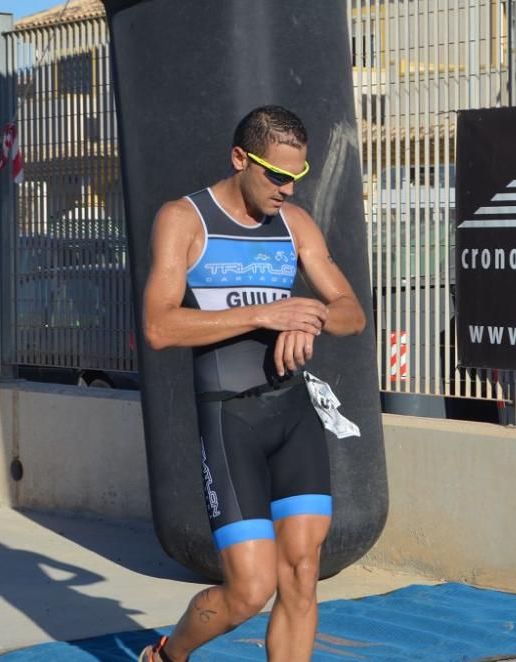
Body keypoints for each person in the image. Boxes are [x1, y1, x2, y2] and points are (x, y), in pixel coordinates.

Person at [138, 105, 365, 662]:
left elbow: (352, 312)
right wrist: (266, 314)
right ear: (240, 158)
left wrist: (307, 313)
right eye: (276, 174)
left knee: (304, 574)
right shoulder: (184, 219)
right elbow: (159, 326)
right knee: (249, 589)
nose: (287, 188)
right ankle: (168, 656)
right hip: (230, 418)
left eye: (298, 175)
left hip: (292, 414)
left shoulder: (295, 225)